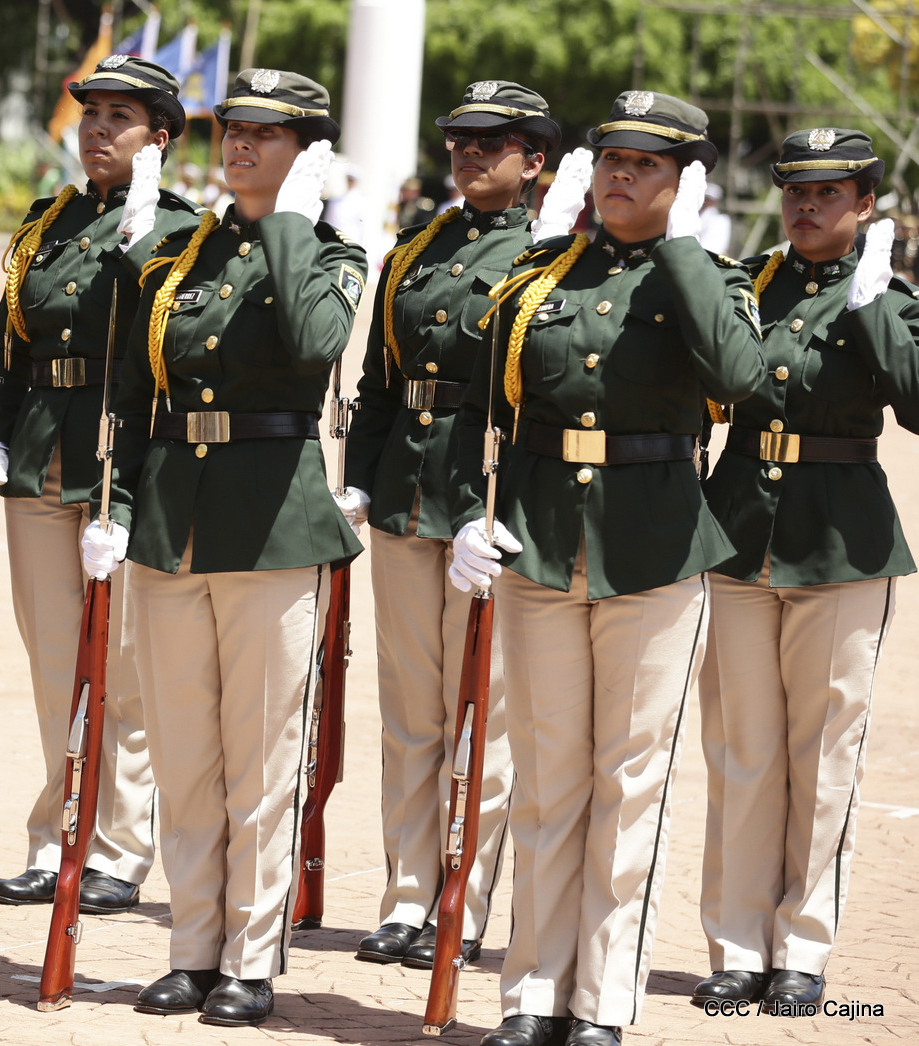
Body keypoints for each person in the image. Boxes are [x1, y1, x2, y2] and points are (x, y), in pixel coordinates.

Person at [449, 91, 764, 1046]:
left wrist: (684, 247)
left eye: (647, 164)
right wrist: (469, 513)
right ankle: (532, 994)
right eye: (612, 159)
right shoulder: (542, 274)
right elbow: (480, 408)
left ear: (685, 181)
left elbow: (739, 377)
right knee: (548, 780)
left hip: (653, 548)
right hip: (543, 541)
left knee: (629, 785)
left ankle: (602, 1003)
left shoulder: (709, 277)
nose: (622, 173)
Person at [82, 68, 367, 1027]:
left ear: (307, 152)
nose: (240, 143)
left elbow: (313, 342)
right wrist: (116, 504)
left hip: (271, 524)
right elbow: (133, 388)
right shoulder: (179, 254)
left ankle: (250, 957)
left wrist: (288, 222)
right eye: (234, 128)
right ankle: (192, 948)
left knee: (261, 757)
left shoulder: (330, 254)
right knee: (184, 755)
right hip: (175, 524)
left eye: (266, 133)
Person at [340, 81, 572, 971]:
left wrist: (509, 509)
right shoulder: (413, 251)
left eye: (492, 142)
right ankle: (407, 895)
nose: (470, 154)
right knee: (411, 711)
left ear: (534, 160)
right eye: (460, 140)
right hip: (408, 495)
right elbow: (378, 386)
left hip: (489, 502)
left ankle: (461, 900)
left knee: (485, 713)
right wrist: (358, 484)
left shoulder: (548, 255)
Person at [0, 55, 201, 914]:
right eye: (91, 113)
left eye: (119, 117)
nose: (97, 129)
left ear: (159, 139)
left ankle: (119, 850)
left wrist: (144, 251)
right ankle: (59, 833)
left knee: (124, 669)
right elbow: (8, 342)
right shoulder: (47, 222)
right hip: (40, 454)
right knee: (55, 664)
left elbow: (174, 350)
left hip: (123, 464)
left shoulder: (179, 229)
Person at [694, 129, 916, 1014]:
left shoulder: (887, 294)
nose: (807, 205)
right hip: (742, 527)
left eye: (829, 193)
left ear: (865, 204)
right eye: (796, 190)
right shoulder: (747, 283)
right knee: (742, 750)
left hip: (839, 539)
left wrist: (874, 306)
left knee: (823, 755)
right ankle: (738, 944)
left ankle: (802, 947)